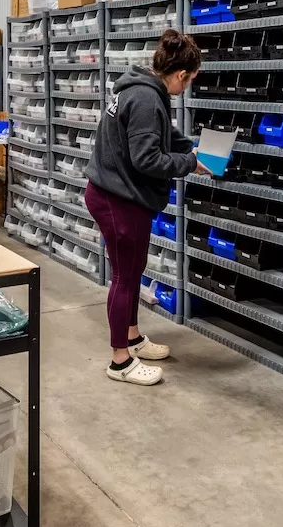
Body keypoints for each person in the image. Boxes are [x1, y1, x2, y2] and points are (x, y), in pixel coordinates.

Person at [84, 29, 207, 385]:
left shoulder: (142, 88)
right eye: (190, 81)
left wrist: (195, 149)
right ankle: (120, 361)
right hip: (117, 198)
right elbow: (147, 158)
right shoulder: (145, 99)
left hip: (119, 193)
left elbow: (161, 135)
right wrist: (189, 164)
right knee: (124, 276)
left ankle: (133, 337)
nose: (187, 87)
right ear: (181, 74)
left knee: (134, 271)